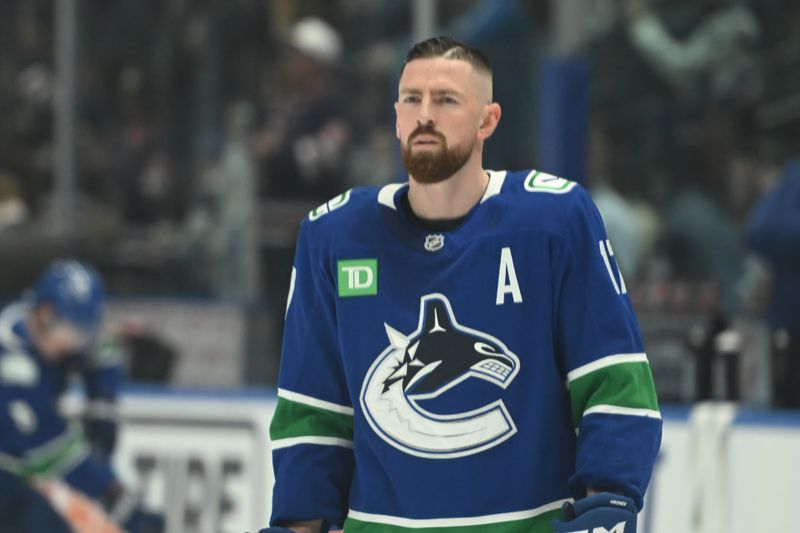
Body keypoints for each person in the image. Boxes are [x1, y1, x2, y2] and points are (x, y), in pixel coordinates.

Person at [263, 37, 661, 533]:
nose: (425, 114)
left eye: (446, 100)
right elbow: (313, 418)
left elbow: (615, 387)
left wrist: (603, 510)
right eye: (412, 99)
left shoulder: (554, 221)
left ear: (487, 121)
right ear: (396, 117)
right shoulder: (334, 235)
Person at [0, 259, 162, 532]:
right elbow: (52, 452)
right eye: (74, 333)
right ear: (46, 314)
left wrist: (102, 409)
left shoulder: (41, 322)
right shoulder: (13, 369)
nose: (78, 344)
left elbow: (102, 353)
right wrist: (115, 498)